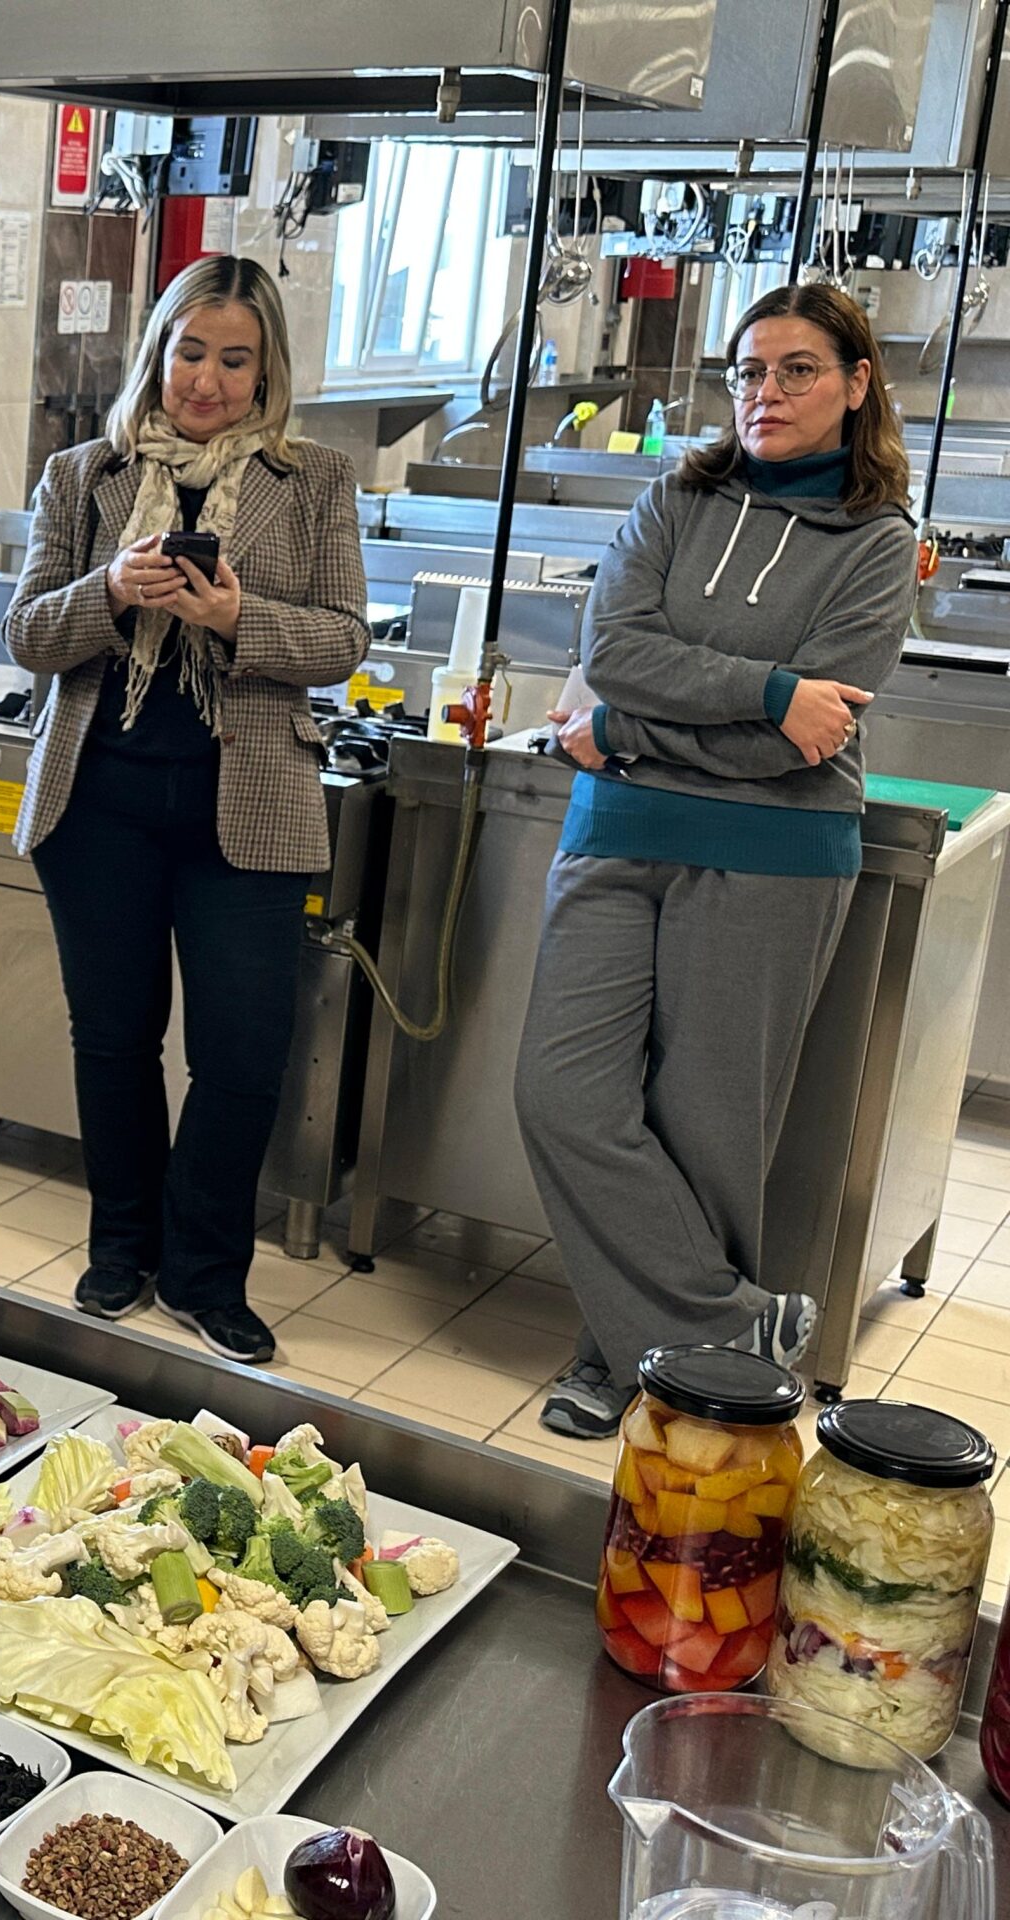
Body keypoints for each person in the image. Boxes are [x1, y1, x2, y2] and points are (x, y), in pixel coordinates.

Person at [515, 282, 916, 1439]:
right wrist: (768, 691)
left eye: (796, 369)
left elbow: (812, 740)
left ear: (854, 384)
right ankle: (732, 1326)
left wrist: (632, 731)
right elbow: (616, 649)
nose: (765, 392)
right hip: (618, 834)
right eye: (747, 371)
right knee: (561, 1095)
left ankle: (624, 1361)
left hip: (773, 851)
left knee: (706, 1130)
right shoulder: (673, 501)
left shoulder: (880, 543)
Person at [3, 255, 369, 1360]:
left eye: (233, 359)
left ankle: (206, 1272)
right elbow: (26, 634)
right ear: (158, 352)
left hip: (245, 810)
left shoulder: (313, 483)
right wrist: (109, 592)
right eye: (189, 352)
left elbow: (345, 641)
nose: (205, 380)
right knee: (113, 1042)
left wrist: (236, 616)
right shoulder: (85, 476)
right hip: (99, 801)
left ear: (267, 373)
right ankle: (122, 1250)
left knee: (244, 1055)